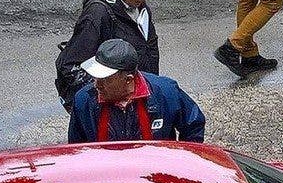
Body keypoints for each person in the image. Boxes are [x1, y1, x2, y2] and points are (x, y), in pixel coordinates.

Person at [55, 0, 160, 110]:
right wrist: (108, 96)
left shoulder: (134, 2)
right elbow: (69, 66)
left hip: (139, 96)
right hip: (114, 105)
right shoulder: (97, 15)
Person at [68, 39, 205, 143]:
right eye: (96, 77)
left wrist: (181, 162)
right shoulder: (83, 100)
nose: (97, 85)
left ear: (128, 80)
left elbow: (194, 125)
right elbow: (77, 150)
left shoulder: (166, 92)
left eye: (105, 79)